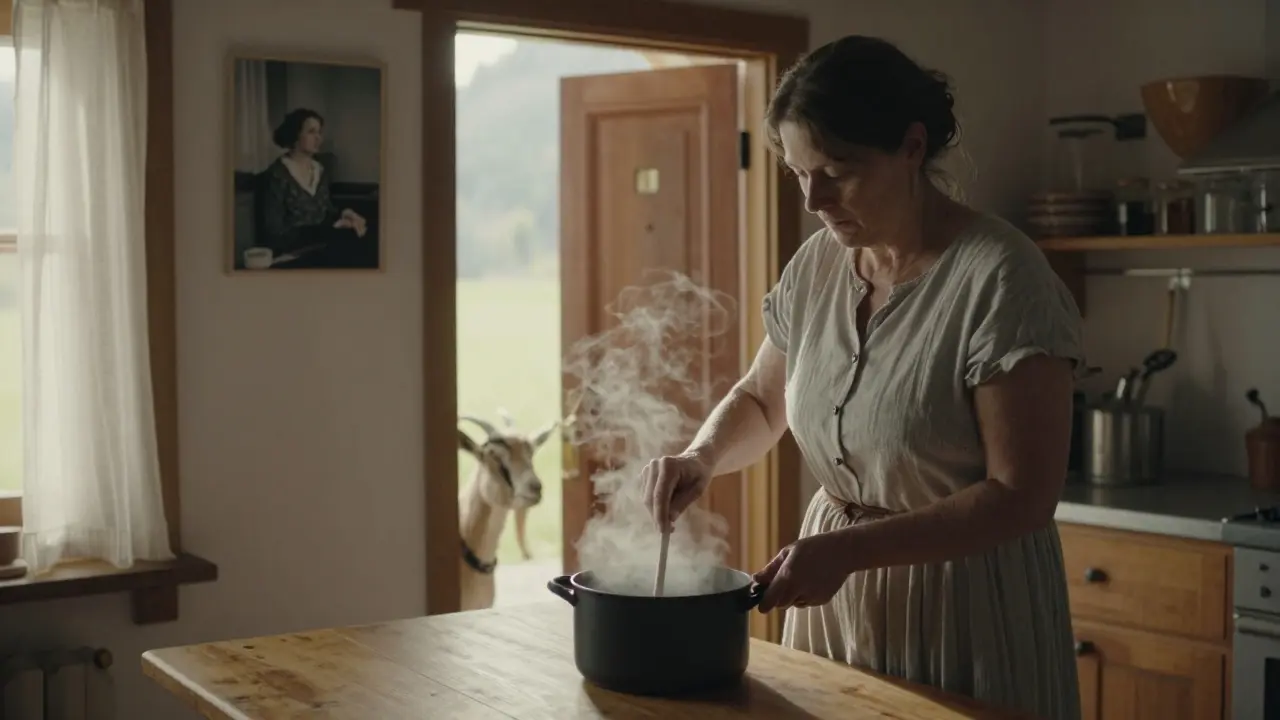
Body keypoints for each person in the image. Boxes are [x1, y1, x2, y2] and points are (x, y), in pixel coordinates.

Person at [640, 35, 1083, 720]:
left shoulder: (1002, 278)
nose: (814, 199)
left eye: (836, 172)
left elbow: (1021, 497)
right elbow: (762, 400)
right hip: (836, 597)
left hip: (962, 603)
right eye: (798, 172)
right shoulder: (818, 264)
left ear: (911, 147)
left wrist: (848, 551)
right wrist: (702, 456)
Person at [258, 107, 369, 264]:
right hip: (293, 255)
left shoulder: (319, 170)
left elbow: (326, 211)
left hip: (324, 246)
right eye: (311, 132)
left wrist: (346, 214)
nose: (318, 138)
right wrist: (330, 230)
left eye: (319, 132)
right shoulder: (276, 175)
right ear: (295, 135)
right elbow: (274, 234)